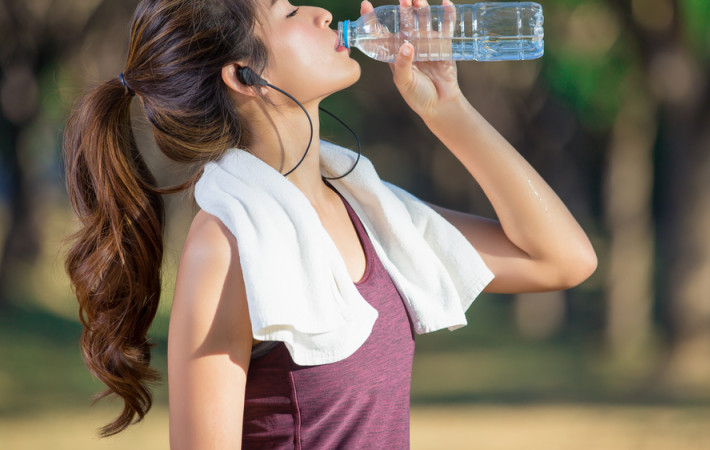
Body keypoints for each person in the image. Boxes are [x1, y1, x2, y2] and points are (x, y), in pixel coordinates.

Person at [62, 0, 596, 448]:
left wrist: (447, 108)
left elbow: (563, 259)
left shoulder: (370, 211)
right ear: (245, 76)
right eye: (289, 9)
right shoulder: (226, 243)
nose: (321, 13)